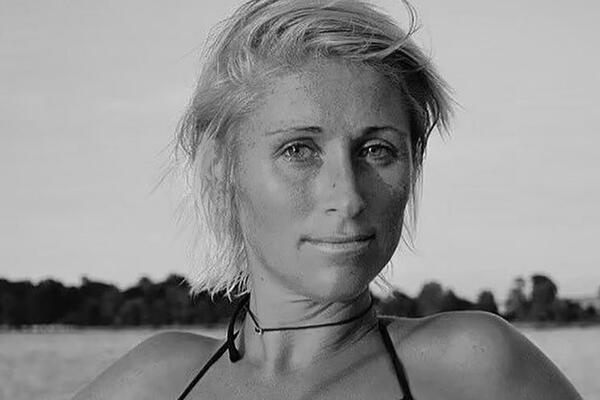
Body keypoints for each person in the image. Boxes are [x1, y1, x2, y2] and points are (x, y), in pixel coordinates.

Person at [73, 0, 582, 399]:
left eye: (377, 150)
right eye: (299, 150)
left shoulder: (474, 368)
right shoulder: (157, 381)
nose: (349, 196)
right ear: (220, 167)